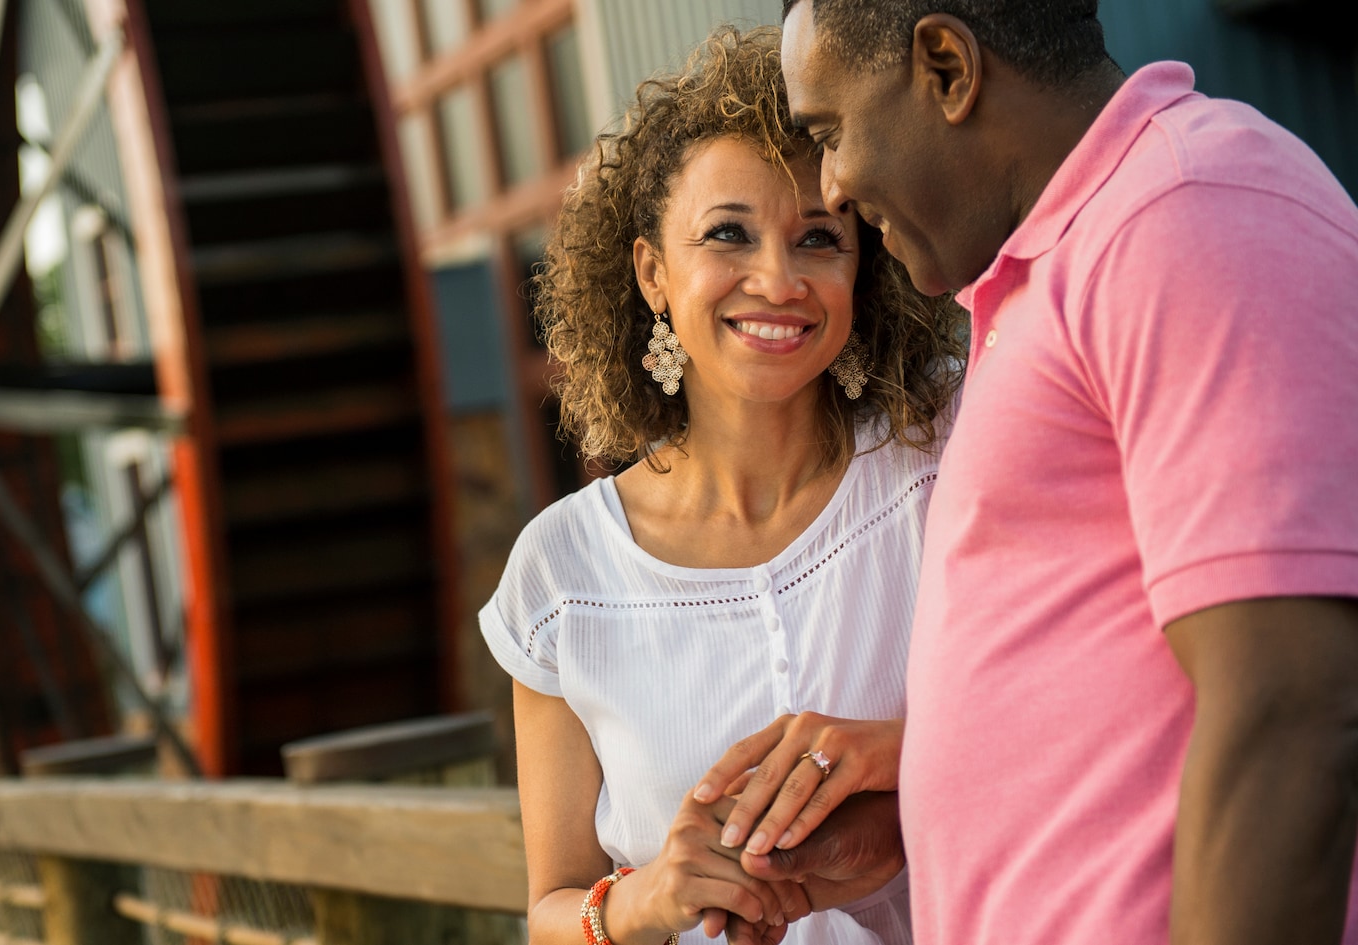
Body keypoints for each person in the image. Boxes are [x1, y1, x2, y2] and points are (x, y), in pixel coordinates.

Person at [698, 2, 1358, 944]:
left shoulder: (1187, 207)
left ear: (946, 68)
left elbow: (1289, 710)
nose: (833, 185)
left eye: (831, 132)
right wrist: (924, 800)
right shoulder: (1062, 265)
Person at [478, 25, 965, 945]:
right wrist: (649, 895)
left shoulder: (944, 452)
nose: (778, 280)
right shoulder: (559, 573)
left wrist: (895, 766)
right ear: (652, 273)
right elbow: (550, 909)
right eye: (728, 235)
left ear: (863, 267)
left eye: (819, 237)